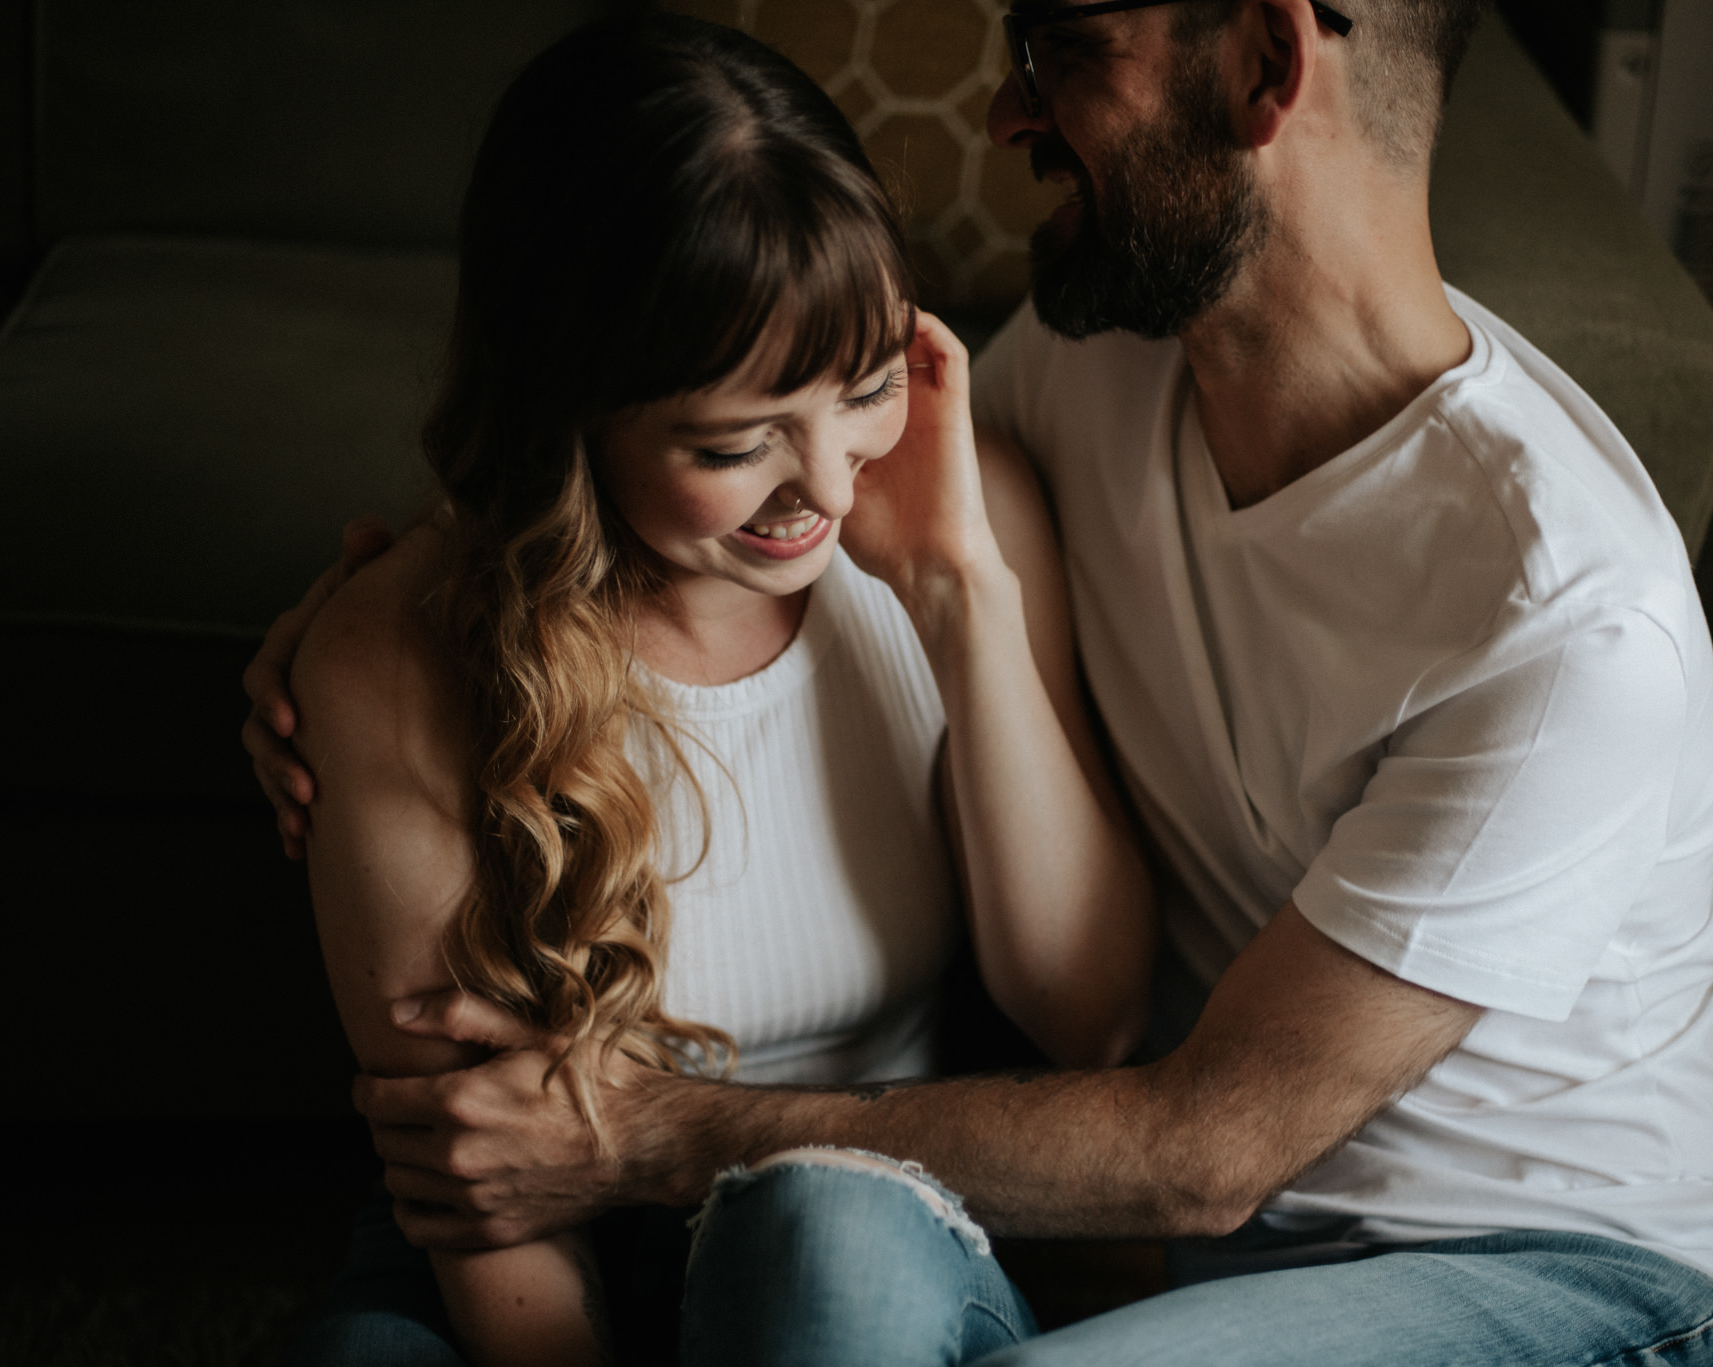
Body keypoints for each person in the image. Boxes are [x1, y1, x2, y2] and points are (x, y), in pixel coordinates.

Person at [248, 1, 1713, 1364]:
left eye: (1068, 45)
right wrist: (385, 625)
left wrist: (636, 1134)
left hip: (1586, 1286)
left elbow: (1197, 1145)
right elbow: (698, 399)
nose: (1005, 108)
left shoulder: (1564, 619)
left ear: (1269, 60)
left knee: (846, 1258)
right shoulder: (1095, 369)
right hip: (1230, 1274)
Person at [256, 12, 1155, 1365]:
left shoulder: (974, 518)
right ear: (578, 409)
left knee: (816, 1252)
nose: (833, 488)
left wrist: (962, 596)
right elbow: (477, 1189)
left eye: (863, 391)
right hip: (522, 1238)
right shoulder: (391, 653)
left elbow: (1091, 1011)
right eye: (738, 443)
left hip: (855, 1215)